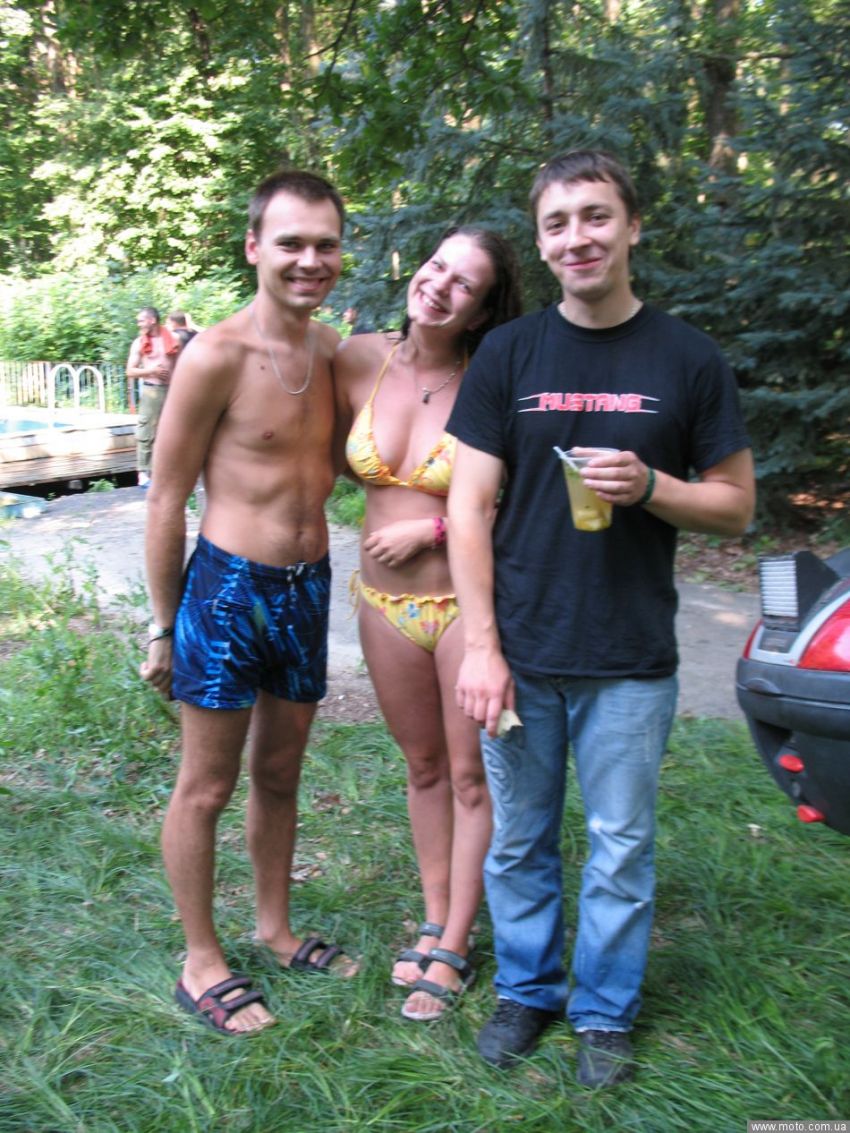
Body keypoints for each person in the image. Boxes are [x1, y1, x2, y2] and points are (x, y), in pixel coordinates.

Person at [446, 150, 755, 1084]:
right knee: (519, 838)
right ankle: (527, 991)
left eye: (595, 217)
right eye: (557, 223)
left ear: (631, 228)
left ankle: (605, 1012)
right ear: (542, 243)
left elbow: (736, 507)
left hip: (630, 653)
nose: (576, 237)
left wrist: (653, 485)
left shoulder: (688, 357)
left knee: (621, 846)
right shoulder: (509, 353)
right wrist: (482, 647)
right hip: (521, 647)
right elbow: (468, 506)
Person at [141, 169, 355, 1036]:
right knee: (207, 783)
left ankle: (275, 927)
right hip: (229, 590)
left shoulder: (334, 351)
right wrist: (163, 626)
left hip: (309, 588)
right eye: (291, 242)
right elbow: (166, 498)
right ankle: (201, 960)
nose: (310, 260)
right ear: (254, 247)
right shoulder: (215, 356)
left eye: (326, 244)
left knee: (280, 773)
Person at [334, 226, 522, 1022]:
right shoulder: (357, 359)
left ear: (481, 310)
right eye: (438, 266)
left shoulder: (494, 378)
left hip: (460, 608)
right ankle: (433, 913)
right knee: (421, 768)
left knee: (469, 773)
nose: (440, 285)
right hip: (380, 604)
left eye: (464, 283)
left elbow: (525, 498)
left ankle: (456, 939)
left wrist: (434, 527)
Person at [125, 307, 181, 487]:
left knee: (172, 432)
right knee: (146, 432)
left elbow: (183, 364)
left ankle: (166, 472)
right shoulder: (139, 343)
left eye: (141, 321)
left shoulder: (174, 339)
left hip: (173, 390)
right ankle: (143, 474)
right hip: (152, 390)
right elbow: (130, 371)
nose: (139, 324)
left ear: (152, 320)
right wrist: (151, 371)